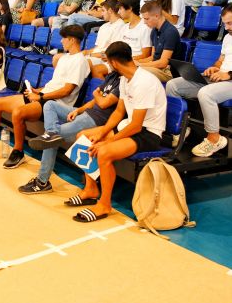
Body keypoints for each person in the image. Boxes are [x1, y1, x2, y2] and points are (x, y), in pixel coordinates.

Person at [64, 41, 167, 223]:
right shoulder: (125, 79)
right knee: (84, 137)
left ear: (114, 62)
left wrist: (108, 141)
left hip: (148, 133)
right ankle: (91, 190)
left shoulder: (145, 82)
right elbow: (119, 112)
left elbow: (136, 126)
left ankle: (105, 204)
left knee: (103, 152)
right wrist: (102, 132)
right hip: (130, 127)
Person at [0, 25, 90, 167]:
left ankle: (18, 152)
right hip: (44, 95)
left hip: (55, 103)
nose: (61, 41)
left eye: (64, 38)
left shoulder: (80, 61)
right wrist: (36, 91)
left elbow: (66, 90)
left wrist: (40, 96)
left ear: (72, 40)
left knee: (18, 113)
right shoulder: (65, 58)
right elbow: (55, 84)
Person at [166, 3, 232, 157]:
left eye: (230, 23)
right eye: (224, 23)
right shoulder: (228, 37)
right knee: (173, 85)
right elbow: (221, 61)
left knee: (206, 93)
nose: (226, 27)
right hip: (221, 79)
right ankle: (180, 129)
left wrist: (229, 75)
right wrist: (214, 68)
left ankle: (215, 139)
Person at [19, 68, 121, 195]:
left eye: (109, 60)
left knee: (50, 139)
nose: (107, 62)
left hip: (96, 121)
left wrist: (96, 94)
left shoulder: (124, 82)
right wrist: (78, 110)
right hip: (86, 113)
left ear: (115, 61)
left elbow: (103, 103)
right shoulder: (112, 75)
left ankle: (42, 181)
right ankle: (51, 133)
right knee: (49, 105)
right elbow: (95, 100)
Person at [91, 0, 151, 78]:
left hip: (132, 62)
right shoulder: (125, 27)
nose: (118, 12)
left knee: (97, 70)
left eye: (120, 9)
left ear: (129, 8)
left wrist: (124, 60)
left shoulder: (145, 27)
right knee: (94, 68)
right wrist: (108, 56)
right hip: (119, 60)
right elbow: (117, 48)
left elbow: (145, 54)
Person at [136, 0, 179, 82]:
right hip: (157, 67)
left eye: (147, 19)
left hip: (168, 71)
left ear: (156, 16)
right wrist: (135, 62)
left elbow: (163, 63)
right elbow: (153, 57)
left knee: (138, 72)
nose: (144, 22)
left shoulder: (170, 32)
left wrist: (140, 64)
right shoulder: (154, 31)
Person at [82, 0, 125, 73]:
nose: (101, 14)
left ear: (110, 11)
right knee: (69, 58)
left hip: (105, 59)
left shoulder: (120, 26)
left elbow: (112, 52)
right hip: (95, 56)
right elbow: (97, 47)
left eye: (103, 11)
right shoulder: (104, 26)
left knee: (80, 63)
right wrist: (86, 52)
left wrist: (91, 55)